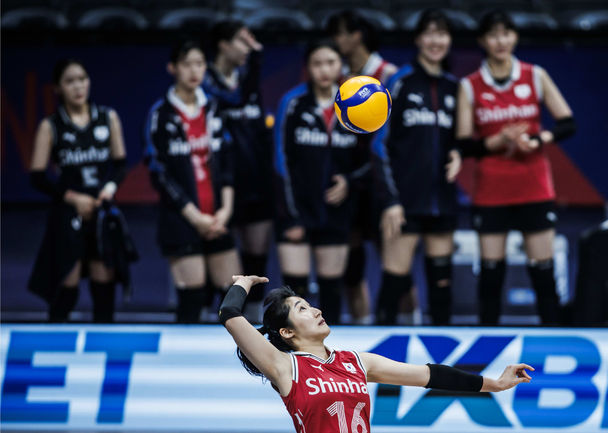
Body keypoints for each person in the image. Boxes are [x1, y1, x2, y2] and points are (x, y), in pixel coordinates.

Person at [220, 275, 534, 433]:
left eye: (310, 304)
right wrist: (243, 283)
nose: (315, 310)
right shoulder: (285, 366)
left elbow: (430, 375)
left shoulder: (357, 362)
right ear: (287, 332)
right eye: (302, 309)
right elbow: (230, 313)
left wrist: (494, 383)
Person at [456, 11, 576, 325]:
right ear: (482, 41)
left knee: (543, 269)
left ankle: (553, 340)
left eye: (506, 33)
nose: (501, 41)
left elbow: (567, 123)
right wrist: (496, 141)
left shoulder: (534, 75)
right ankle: (488, 349)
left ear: (515, 37)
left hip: (534, 186)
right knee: (492, 272)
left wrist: (538, 139)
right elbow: (464, 144)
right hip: (491, 190)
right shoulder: (469, 86)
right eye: (493, 35)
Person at [327, 9, 422, 326]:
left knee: (397, 265)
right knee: (352, 268)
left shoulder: (388, 74)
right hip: (349, 181)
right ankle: (360, 328)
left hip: (380, 181)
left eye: (341, 33)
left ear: (357, 36)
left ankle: (413, 322)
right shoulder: (335, 75)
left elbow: (397, 138)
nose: (337, 41)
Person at [372, 10, 462, 326]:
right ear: (418, 39)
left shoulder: (455, 87)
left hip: (443, 200)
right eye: (429, 33)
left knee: (442, 287)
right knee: (394, 285)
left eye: (442, 33)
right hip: (404, 203)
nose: (436, 41)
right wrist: (391, 200)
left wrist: (460, 153)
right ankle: (377, 369)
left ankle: (442, 373)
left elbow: (463, 139)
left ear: (450, 40)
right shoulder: (399, 82)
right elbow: (378, 144)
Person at [144, 40, 241, 323]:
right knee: (193, 299)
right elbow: (159, 172)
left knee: (232, 299)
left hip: (218, 216)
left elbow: (227, 163)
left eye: (199, 63)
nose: (194, 70)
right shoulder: (160, 116)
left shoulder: (214, 109)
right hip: (182, 219)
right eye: (187, 64)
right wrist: (194, 217)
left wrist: (225, 211)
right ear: (172, 68)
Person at [274, 40, 368, 325]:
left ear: (341, 65)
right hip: (296, 211)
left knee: (330, 292)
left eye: (330, 62)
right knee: (293, 295)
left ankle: (328, 366)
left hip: (336, 213)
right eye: (317, 63)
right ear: (308, 68)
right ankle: (288, 363)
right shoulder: (292, 103)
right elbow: (280, 160)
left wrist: (349, 182)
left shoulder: (357, 104)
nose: (324, 70)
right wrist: (291, 216)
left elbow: (368, 159)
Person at [28, 59, 128, 323]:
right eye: (70, 81)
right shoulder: (50, 126)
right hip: (68, 212)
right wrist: (73, 198)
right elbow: (37, 177)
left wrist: (108, 189)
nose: (78, 86)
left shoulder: (108, 117)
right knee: (66, 283)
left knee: (104, 284)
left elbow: (120, 165)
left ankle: (102, 349)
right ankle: (55, 349)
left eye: (82, 79)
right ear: (58, 88)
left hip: (101, 210)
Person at [203, 21, 273, 322]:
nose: (249, 48)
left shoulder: (248, 79)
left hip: (256, 180)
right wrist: (256, 61)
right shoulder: (204, 82)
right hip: (221, 184)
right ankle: (216, 318)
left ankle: (255, 324)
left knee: (256, 255)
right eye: (242, 41)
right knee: (219, 254)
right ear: (223, 43)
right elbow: (235, 100)